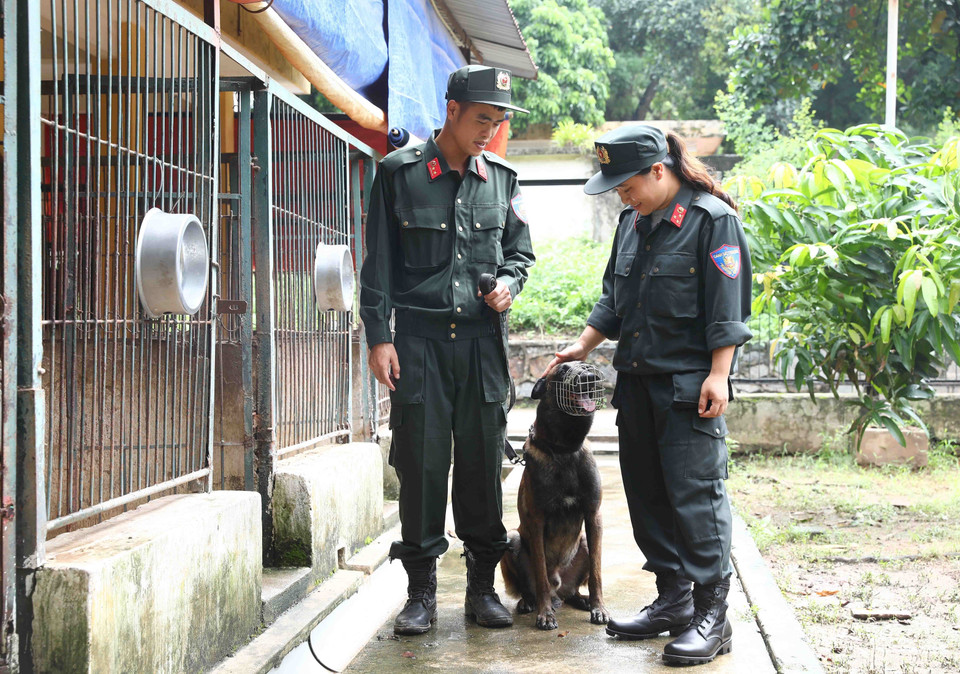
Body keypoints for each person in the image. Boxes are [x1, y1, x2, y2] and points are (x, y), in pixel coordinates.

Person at [545, 124, 752, 665]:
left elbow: (726, 309)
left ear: (658, 171)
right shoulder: (632, 224)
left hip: (689, 389)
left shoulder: (712, 220)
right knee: (647, 496)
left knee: (697, 500)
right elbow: (614, 299)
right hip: (636, 384)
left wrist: (719, 374)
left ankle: (712, 614)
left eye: (626, 183)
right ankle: (673, 600)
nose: (621, 193)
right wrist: (581, 347)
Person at [359, 65, 535, 635]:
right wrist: (379, 336)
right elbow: (378, 261)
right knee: (422, 464)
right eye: (482, 118)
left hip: (483, 345)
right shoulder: (400, 174)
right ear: (452, 111)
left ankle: (482, 589)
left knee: (484, 466)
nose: (490, 129)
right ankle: (421, 592)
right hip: (420, 343)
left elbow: (520, 254)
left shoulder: (502, 180)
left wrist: (511, 282)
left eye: (499, 120)